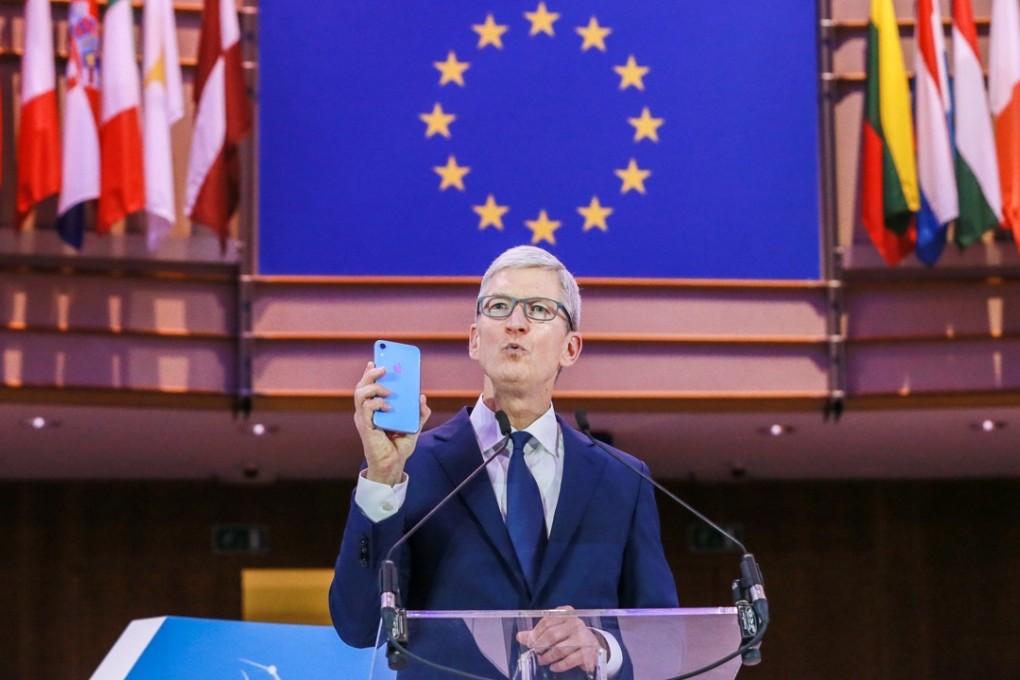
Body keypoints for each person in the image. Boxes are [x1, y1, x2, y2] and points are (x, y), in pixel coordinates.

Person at [330, 245, 678, 678]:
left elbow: (664, 637)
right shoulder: (410, 467)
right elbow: (360, 626)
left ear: (571, 347)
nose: (515, 323)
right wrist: (383, 476)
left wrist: (602, 647)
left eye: (539, 310)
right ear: (475, 339)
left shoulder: (622, 479)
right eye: (498, 307)